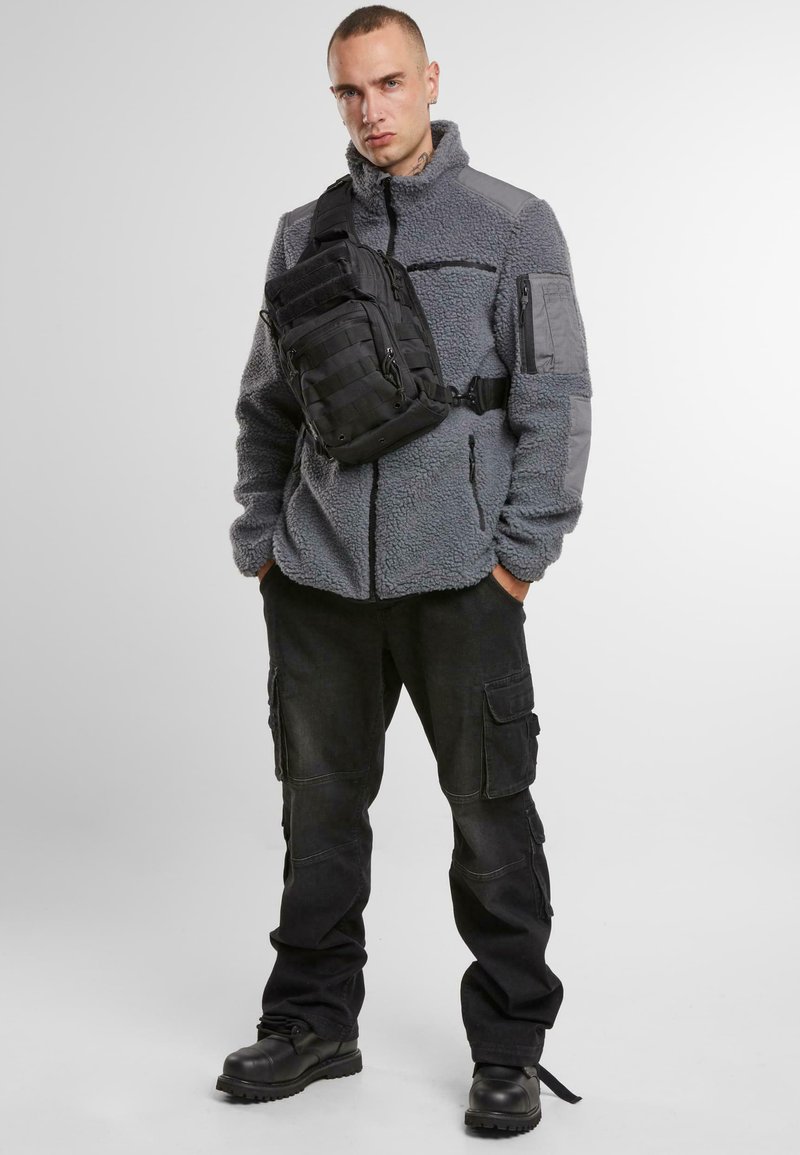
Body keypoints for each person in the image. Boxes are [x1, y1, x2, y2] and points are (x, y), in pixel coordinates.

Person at [217, 4, 591, 1134]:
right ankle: (311, 1022)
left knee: (491, 818)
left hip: (463, 581)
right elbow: (267, 402)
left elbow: (556, 398)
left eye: (388, 83)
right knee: (318, 815)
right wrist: (262, 540)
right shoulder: (302, 233)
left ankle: (510, 1045)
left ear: (430, 80)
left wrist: (517, 557)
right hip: (317, 581)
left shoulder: (515, 224)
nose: (370, 110)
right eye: (349, 90)